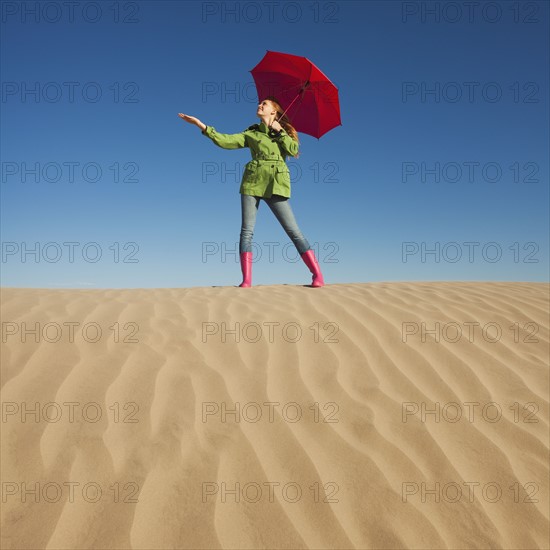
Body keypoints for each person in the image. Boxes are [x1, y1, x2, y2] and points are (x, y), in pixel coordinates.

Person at [178, 96, 324, 288]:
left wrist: (280, 133)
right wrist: (201, 125)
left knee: (293, 231)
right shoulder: (252, 132)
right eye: (260, 103)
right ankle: (246, 280)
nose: (259, 105)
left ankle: (317, 275)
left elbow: (293, 149)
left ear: (274, 111)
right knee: (246, 232)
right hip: (252, 182)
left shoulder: (284, 132)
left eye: (264, 104)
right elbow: (226, 141)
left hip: (275, 183)